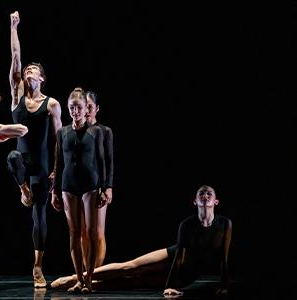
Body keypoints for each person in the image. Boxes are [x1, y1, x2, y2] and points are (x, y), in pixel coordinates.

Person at [51, 185, 233, 296]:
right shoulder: (187, 224)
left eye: (209, 194)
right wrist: (168, 285)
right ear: (195, 201)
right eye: (202, 194)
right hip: (173, 255)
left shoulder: (224, 224)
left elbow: (224, 258)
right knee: (130, 267)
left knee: (135, 282)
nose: (206, 196)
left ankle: (91, 285)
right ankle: (77, 278)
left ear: (216, 201)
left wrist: (223, 286)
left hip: (186, 274)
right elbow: (179, 254)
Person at [7, 10, 62, 287]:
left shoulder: (51, 104)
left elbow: (58, 140)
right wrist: (14, 26)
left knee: (39, 215)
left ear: (42, 78)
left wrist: (55, 171)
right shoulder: (16, 93)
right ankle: (22, 191)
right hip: (22, 163)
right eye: (26, 70)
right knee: (13, 155)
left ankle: (38, 266)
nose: (28, 71)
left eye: (33, 71)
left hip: (41, 164)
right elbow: (15, 56)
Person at [51, 88, 110, 294]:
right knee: (75, 234)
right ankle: (78, 279)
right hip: (68, 186)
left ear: (86, 109)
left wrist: (105, 187)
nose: (75, 111)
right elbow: (59, 164)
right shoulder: (62, 132)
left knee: (92, 233)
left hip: (91, 186)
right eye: (72, 108)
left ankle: (90, 279)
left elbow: (103, 162)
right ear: (68, 109)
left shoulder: (97, 132)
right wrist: (54, 190)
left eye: (79, 107)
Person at [81, 91, 114, 268]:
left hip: (98, 186)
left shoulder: (104, 131)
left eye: (90, 107)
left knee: (98, 232)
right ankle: (86, 273)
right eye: (83, 107)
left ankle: (97, 272)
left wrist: (107, 187)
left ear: (97, 108)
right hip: (79, 186)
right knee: (83, 233)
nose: (86, 111)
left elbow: (109, 161)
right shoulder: (75, 131)